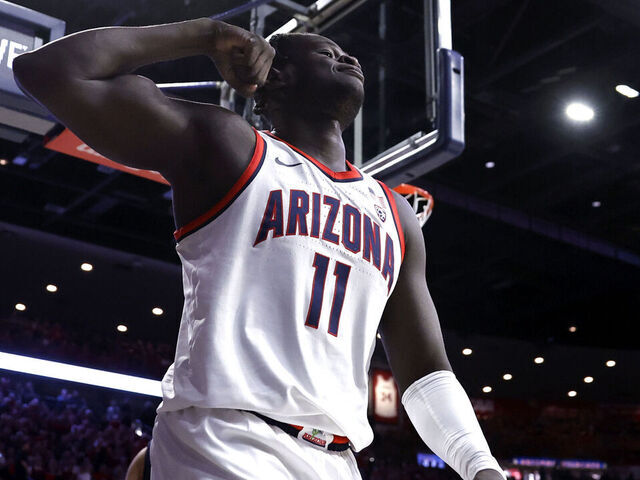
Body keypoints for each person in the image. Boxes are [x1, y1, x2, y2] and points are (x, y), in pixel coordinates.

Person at [14, 16, 506, 480]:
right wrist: (205, 35)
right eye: (326, 52)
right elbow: (49, 69)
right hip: (226, 438)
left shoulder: (395, 214)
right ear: (278, 76)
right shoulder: (230, 146)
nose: (347, 58)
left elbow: (426, 373)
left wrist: (479, 464)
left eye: (347, 54)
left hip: (336, 458)